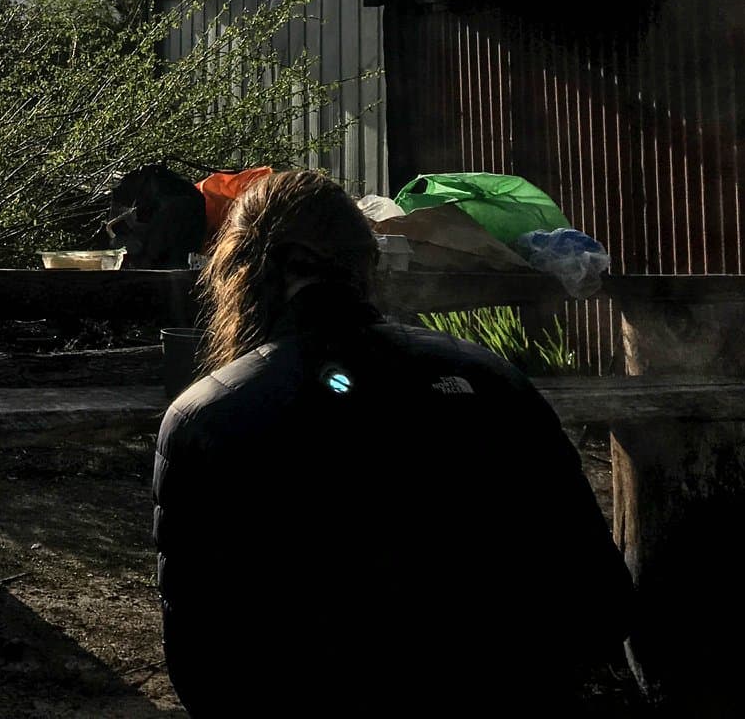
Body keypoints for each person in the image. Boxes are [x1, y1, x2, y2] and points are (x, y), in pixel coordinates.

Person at [154, 169, 632, 713]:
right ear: (369, 263)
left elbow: (202, 664)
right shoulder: (494, 382)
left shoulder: (205, 419)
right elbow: (602, 602)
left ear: (241, 274)